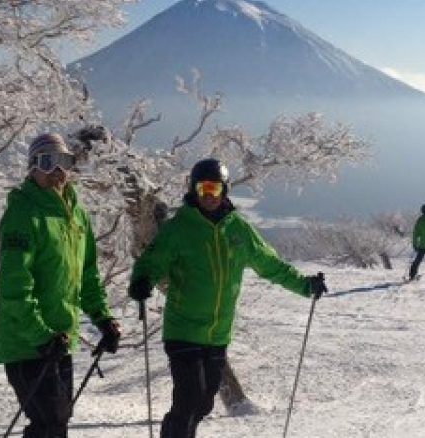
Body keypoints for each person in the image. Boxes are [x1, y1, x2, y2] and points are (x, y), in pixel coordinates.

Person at [128, 158, 327, 438]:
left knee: (204, 403)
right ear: (193, 190)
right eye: (202, 188)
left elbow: (271, 265)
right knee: (189, 399)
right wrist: (141, 281)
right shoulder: (179, 228)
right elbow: (152, 261)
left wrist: (305, 285)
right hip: (183, 329)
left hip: (218, 334)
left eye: (214, 188)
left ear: (225, 190)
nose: (208, 195)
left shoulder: (239, 231)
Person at [0, 132, 122, 438]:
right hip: (26, 343)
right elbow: (13, 286)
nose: (57, 171)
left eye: (64, 161)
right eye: (47, 162)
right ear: (32, 167)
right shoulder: (23, 213)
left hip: (60, 340)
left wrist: (103, 319)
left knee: (57, 423)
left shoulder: (77, 214)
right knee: (50, 425)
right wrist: (39, 335)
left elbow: (87, 274)